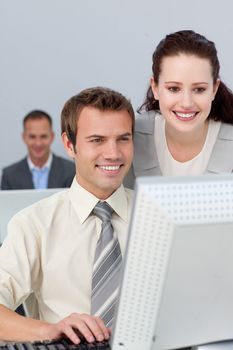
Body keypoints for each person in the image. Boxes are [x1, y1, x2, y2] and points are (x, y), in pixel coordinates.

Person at [0, 87, 134, 344]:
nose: (113, 153)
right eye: (97, 140)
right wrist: (49, 331)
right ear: (69, 144)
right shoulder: (33, 224)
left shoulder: (159, 216)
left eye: (123, 139)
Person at [124, 30, 233, 189]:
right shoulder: (128, 139)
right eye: (174, 89)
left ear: (214, 90)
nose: (186, 103)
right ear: (155, 87)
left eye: (199, 89)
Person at [1, 110, 75, 190]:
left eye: (43, 136)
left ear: (52, 137)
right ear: (24, 137)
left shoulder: (71, 171)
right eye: (32, 137)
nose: (38, 143)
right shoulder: (9, 175)